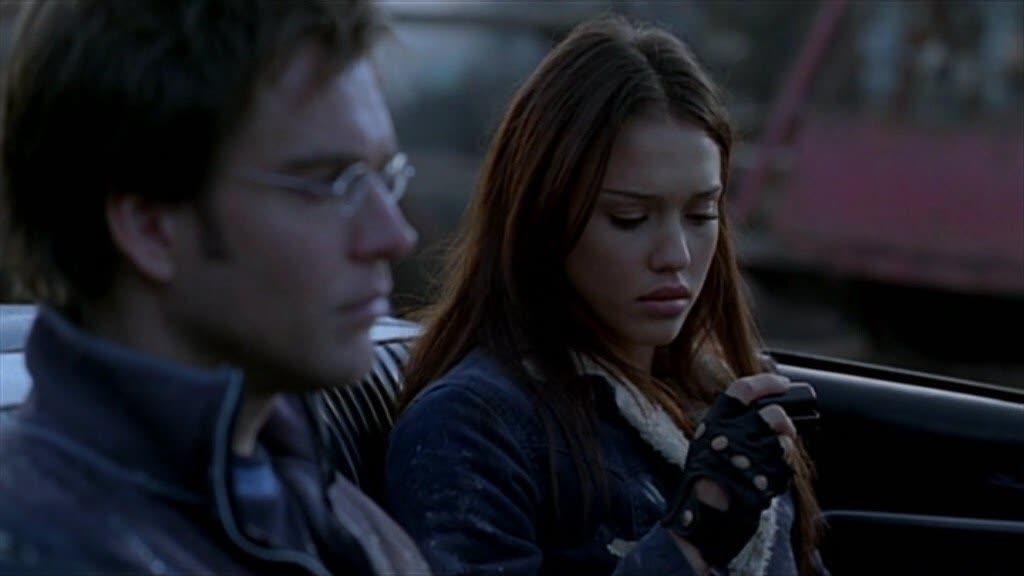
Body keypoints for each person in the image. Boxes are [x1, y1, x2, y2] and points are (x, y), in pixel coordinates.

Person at [386, 15, 827, 576]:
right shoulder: (473, 427)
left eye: (701, 214)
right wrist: (693, 539)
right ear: (543, 220)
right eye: (629, 218)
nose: (676, 255)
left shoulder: (717, 393)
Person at [0, 1, 429, 574]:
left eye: (383, 176)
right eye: (328, 183)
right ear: (152, 227)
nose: (394, 235)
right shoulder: (45, 548)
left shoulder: (335, 511)